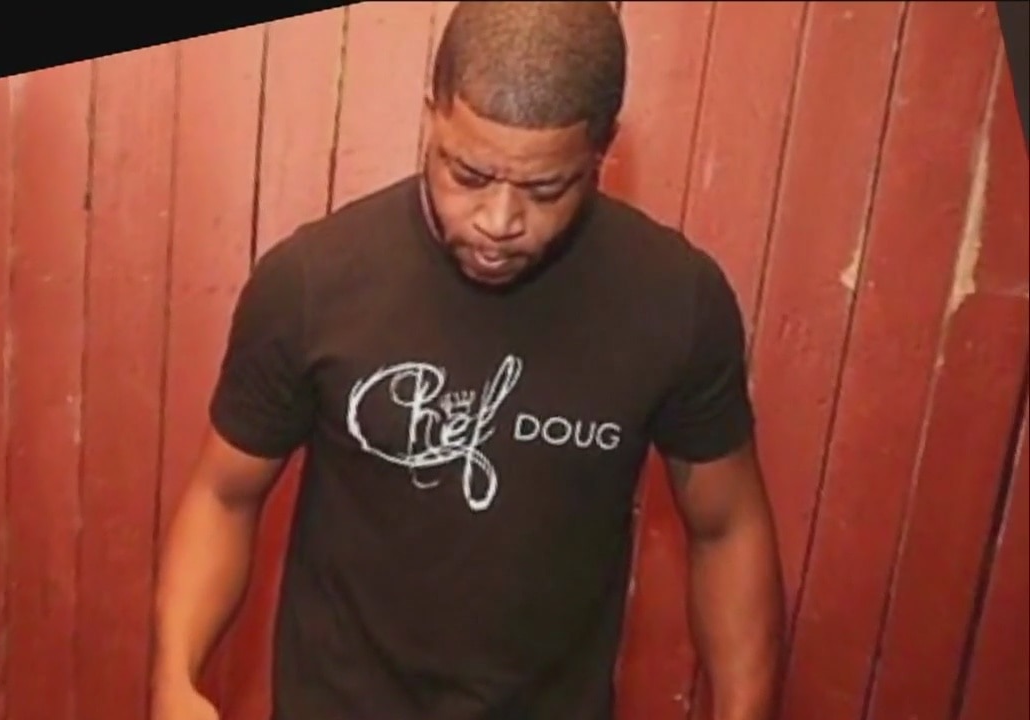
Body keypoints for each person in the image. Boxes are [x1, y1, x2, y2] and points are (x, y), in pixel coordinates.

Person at [151, 2, 785, 718]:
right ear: (433, 116)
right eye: (469, 174)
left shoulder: (674, 301)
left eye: (545, 189)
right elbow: (225, 494)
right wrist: (174, 679)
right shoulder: (313, 283)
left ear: (600, 151)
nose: (499, 221)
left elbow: (727, 526)